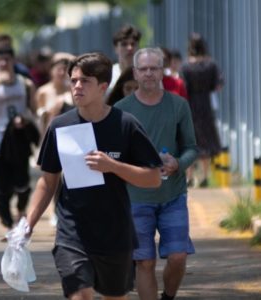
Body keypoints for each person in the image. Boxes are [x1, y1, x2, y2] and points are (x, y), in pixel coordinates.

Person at [27, 52, 162, 300]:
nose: (77, 86)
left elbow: (153, 178)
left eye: (85, 81)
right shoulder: (60, 125)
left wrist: (113, 166)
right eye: (74, 80)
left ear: (103, 87)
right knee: (80, 295)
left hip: (115, 233)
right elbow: (47, 181)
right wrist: (28, 224)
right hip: (72, 232)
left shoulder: (125, 125)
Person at [115, 47, 198, 300]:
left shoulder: (178, 105)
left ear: (162, 71)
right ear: (135, 73)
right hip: (135, 198)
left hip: (173, 195)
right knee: (145, 262)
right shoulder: (121, 110)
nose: (149, 73)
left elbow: (192, 148)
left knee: (178, 256)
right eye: (144, 69)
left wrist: (178, 163)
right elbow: (115, 156)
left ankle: (168, 296)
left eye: (154, 68)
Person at [0, 45, 38, 229]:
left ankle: (21, 209)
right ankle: (7, 221)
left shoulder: (25, 83)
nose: (4, 63)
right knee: (0, 185)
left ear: (14, 60)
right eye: (0, 60)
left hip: (18, 138)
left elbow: (34, 109)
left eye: (7, 59)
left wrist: (25, 119)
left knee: (22, 182)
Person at [181, 33, 222, 187]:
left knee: (190, 140)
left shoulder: (186, 66)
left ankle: (189, 176)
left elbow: (183, 86)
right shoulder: (211, 65)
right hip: (205, 105)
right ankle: (205, 176)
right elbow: (218, 85)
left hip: (190, 105)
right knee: (206, 139)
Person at [35, 52, 75, 134]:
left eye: (64, 69)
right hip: (50, 132)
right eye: (58, 69)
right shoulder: (43, 91)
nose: (62, 73)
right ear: (51, 71)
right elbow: (38, 118)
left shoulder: (71, 90)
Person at [106, 24, 142, 95]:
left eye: (133, 44)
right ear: (116, 48)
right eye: (124, 44)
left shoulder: (147, 73)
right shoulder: (109, 74)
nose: (129, 48)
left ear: (138, 47)